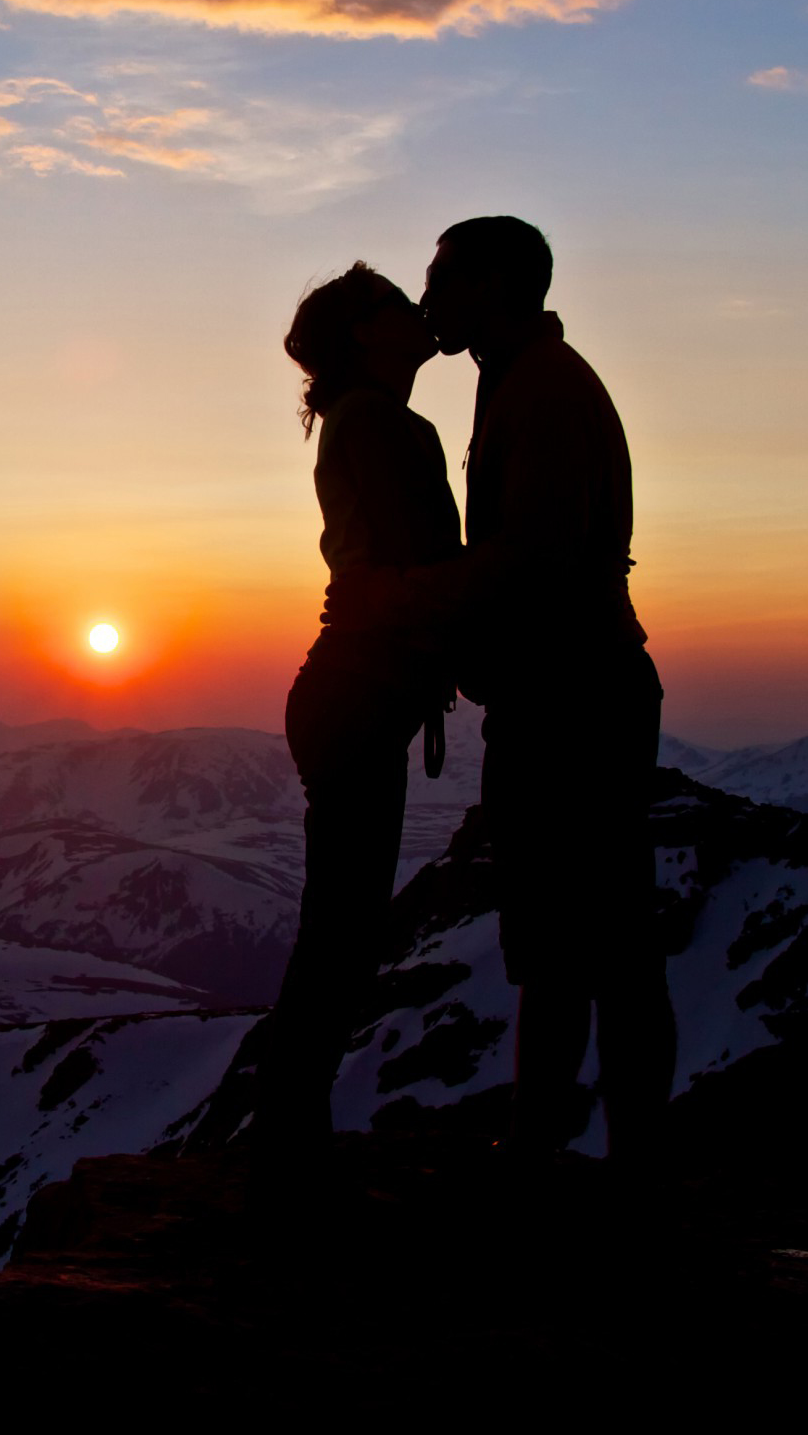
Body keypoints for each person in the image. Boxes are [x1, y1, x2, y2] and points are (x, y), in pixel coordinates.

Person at [404, 215, 670, 1167]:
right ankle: (567, 1151)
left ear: (495, 283)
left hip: (573, 696)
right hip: (568, 688)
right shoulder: (517, 381)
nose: (427, 294)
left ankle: (572, 1157)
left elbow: (536, 559)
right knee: (580, 936)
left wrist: (414, 596)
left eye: (444, 276)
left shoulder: (545, 394)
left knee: (587, 942)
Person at [252, 262, 461, 1151]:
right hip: (360, 694)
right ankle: (288, 1144)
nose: (416, 309)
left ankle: (291, 1138)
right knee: (341, 938)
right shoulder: (378, 423)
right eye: (393, 303)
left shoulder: (374, 421)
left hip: (355, 697)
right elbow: (384, 580)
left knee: (340, 932)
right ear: (366, 334)